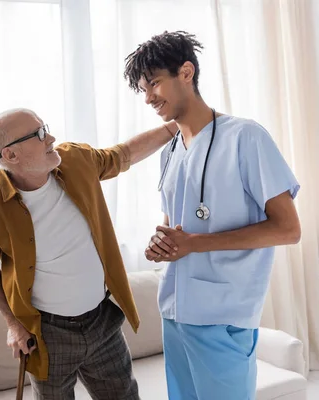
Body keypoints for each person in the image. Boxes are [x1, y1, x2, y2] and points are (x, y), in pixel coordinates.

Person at [123, 31, 302, 399]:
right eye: (143, 89)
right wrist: (164, 242)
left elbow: (288, 229)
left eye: (154, 83)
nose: (148, 98)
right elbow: (180, 228)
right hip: (175, 311)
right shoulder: (170, 151)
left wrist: (195, 244)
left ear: (186, 72)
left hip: (223, 315)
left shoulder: (246, 137)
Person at [0, 108, 177, 399]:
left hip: (103, 322)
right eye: (38, 134)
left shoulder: (76, 160)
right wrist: (13, 324)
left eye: (45, 127)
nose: (50, 137)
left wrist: (175, 126)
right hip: (48, 335)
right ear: (10, 155)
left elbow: (122, 155)